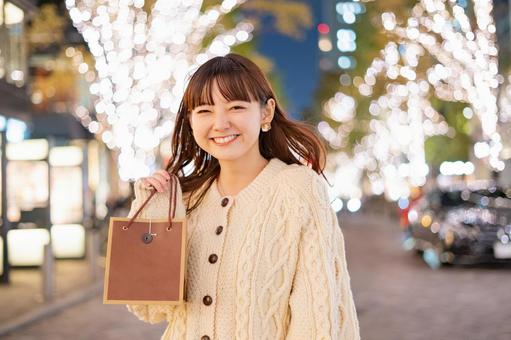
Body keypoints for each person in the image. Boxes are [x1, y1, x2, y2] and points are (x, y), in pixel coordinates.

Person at [125, 53, 360, 340]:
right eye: (204, 111)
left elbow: (316, 318)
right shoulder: (183, 199)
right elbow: (149, 308)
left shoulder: (299, 189)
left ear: (266, 112)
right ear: (191, 120)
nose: (220, 123)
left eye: (235, 107)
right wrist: (155, 211)